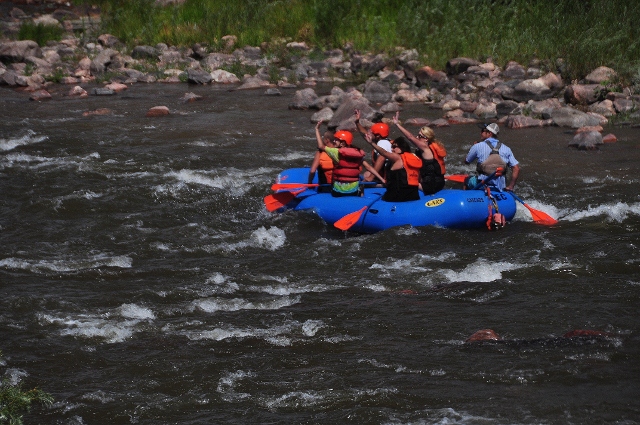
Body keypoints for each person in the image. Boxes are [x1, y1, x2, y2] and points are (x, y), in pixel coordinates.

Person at [315, 124, 383, 197]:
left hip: (338, 191)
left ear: (343, 143)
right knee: (361, 186)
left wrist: (317, 130)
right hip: (354, 191)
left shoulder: (335, 152)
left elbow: (321, 146)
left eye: (336, 140)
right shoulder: (357, 154)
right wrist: (382, 180)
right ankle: (361, 199)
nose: (334, 141)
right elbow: (369, 167)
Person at [392, 112, 446, 195]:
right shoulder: (430, 147)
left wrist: (397, 124)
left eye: (420, 136)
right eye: (417, 135)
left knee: (403, 181)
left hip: (430, 186)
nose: (417, 138)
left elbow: (410, 137)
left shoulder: (426, 149)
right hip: (439, 183)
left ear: (426, 139)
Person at [364, 134, 422, 202]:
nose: (392, 149)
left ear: (402, 148)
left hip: (397, 197)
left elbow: (384, 153)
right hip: (414, 195)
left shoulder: (398, 158)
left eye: (394, 147)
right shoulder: (415, 158)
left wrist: (372, 143)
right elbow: (418, 179)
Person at [464, 123, 520, 191]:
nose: (480, 133)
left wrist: (473, 149)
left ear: (489, 133)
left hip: (482, 184)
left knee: (466, 180)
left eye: (482, 131)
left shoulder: (477, 146)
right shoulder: (507, 149)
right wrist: (511, 186)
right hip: (500, 187)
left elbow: (467, 161)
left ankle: (468, 197)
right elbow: (516, 169)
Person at [354, 109, 392, 183]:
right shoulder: (383, 140)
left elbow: (382, 158)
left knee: (367, 175)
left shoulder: (382, 143)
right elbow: (365, 135)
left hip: (387, 180)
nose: (369, 133)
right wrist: (357, 123)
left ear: (377, 136)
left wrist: (371, 177)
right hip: (384, 174)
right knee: (366, 174)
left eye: (372, 133)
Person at [308, 121, 335, 191]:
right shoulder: (339, 151)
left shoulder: (320, 153)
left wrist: (309, 183)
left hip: (325, 187)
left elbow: (312, 171)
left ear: (327, 140)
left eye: (323, 138)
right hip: (339, 187)